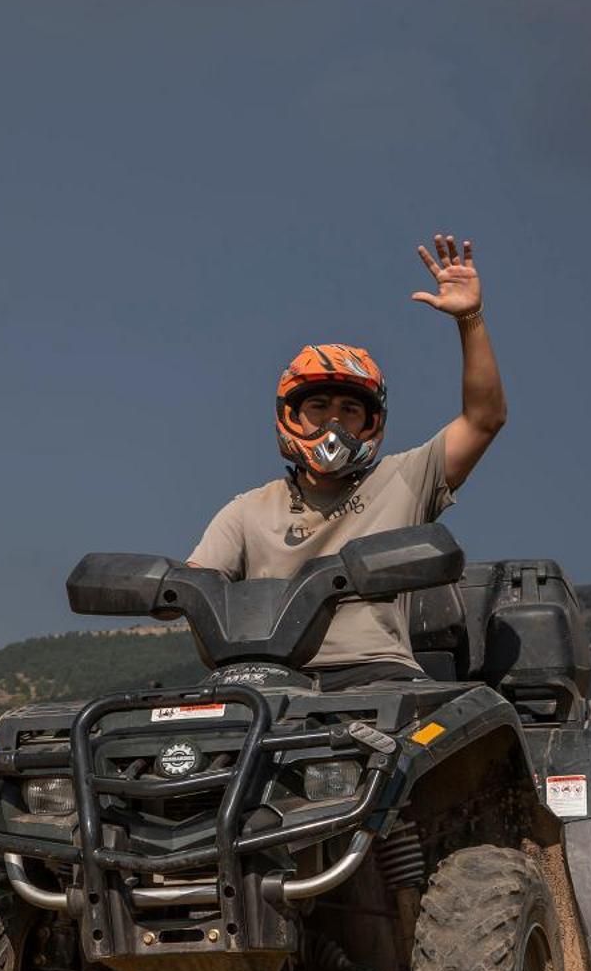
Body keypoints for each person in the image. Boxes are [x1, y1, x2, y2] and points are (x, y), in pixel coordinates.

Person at [186, 233, 507, 691]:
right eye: (318, 406)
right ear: (290, 414)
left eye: (350, 410)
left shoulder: (406, 479)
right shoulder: (247, 510)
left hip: (376, 675)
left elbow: (484, 418)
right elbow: (192, 584)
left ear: (371, 422)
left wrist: (470, 319)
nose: (334, 423)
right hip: (262, 682)